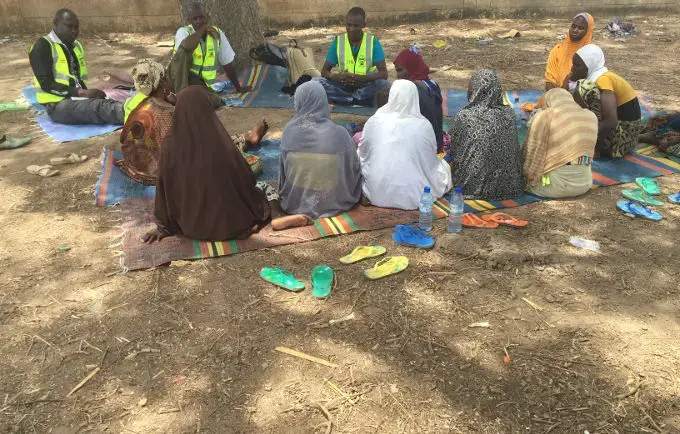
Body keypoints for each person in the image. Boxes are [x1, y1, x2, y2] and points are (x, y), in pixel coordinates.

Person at [142, 86, 311, 243]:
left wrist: (163, 227)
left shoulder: (170, 144)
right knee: (264, 187)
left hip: (193, 228)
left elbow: (164, 188)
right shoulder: (218, 139)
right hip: (233, 225)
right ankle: (277, 215)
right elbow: (246, 177)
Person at [118, 60, 268, 185]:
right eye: (167, 76)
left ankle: (244, 138)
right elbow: (196, 147)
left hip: (136, 167)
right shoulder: (170, 113)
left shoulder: (140, 106)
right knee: (220, 150)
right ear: (163, 81)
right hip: (164, 173)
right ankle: (245, 139)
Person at [358, 80, 452, 210]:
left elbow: (363, 155)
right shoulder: (423, 125)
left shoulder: (374, 121)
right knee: (443, 167)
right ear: (415, 98)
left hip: (376, 194)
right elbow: (430, 161)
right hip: (416, 196)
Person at [279, 81, 363, 218]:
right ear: (323, 101)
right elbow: (352, 169)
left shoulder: (289, 132)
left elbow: (284, 172)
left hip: (296, 203)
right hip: (336, 200)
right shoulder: (340, 134)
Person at [28, 9, 123, 125]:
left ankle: (134, 110)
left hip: (77, 98)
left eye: (76, 27)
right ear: (55, 23)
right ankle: (136, 116)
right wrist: (82, 93)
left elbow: (77, 77)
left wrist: (88, 93)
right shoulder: (42, 47)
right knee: (98, 108)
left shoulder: (76, 45)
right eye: (69, 26)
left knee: (110, 99)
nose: (74, 31)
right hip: (58, 105)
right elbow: (46, 84)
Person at [448, 69, 524, 201]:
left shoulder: (465, 116)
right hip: (510, 188)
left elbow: (454, 151)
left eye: (470, 86)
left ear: (477, 89)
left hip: (471, 188)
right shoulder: (508, 114)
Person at [169, 2, 252, 108]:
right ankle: (180, 98)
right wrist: (202, 30)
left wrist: (238, 87)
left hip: (202, 86)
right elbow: (186, 46)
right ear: (189, 20)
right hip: (182, 81)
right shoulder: (183, 32)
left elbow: (227, 63)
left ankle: (187, 100)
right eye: (195, 19)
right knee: (182, 53)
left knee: (214, 102)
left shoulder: (216, 34)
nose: (199, 21)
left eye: (201, 17)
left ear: (207, 17)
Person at [523, 88, 598, 198]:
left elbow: (533, 152)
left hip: (556, 187)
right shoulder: (591, 116)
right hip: (585, 184)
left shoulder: (545, 116)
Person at [571, 44, 642, 158]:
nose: (572, 68)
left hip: (621, 140)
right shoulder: (598, 77)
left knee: (584, 88)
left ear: (590, 66)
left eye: (577, 65)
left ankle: (597, 145)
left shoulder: (603, 80)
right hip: (626, 133)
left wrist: (593, 147)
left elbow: (611, 122)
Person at [315, 7, 389, 106]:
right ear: (345, 23)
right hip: (342, 86)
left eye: (356, 25)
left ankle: (345, 100)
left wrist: (363, 78)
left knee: (385, 85)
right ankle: (356, 100)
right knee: (316, 82)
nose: (352, 29)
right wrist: (337, 77)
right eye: (349, 25)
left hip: (365, 86)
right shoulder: (338, 42)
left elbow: (384, 74)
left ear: (363, 25)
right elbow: (324, 72)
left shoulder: (373, 42)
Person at [393, 46, 447, 153]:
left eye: (400, 70)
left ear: (411, 67)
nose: (397, 76)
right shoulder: (432, 84)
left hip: (422, 149)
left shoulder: (411, 90)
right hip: (437, 144)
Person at [545, 13, 594, 92]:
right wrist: (556, 97)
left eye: (580, 28)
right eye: (573, 26)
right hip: (555, 96)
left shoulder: (592, 53)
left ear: (588, 31)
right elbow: (549, 79)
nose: (575, 30)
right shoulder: (557, 50)